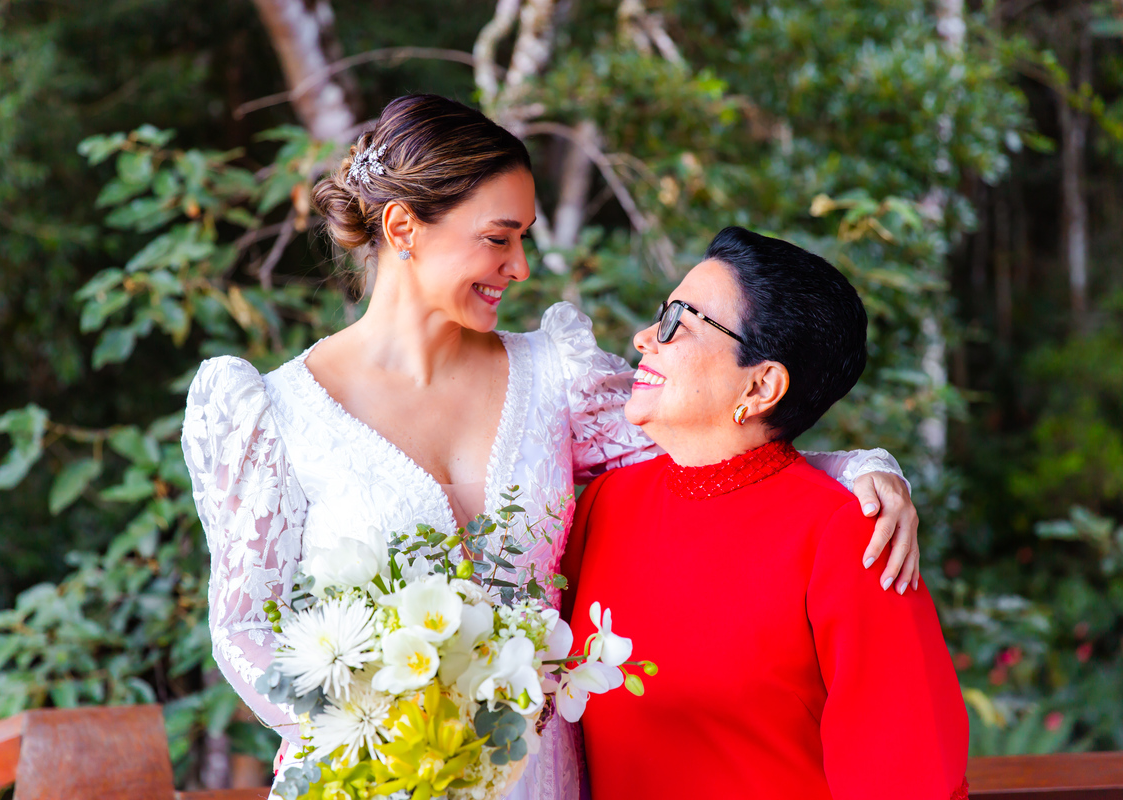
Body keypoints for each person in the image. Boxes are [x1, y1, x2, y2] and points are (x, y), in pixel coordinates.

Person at [181, 95, 920, 800]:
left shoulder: (556, 378)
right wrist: (389, 729)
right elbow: (246, 631)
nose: (521, 265)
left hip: (537, 775)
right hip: (371, 772)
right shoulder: (269, 412)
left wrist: (859, 468)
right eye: (498, 237)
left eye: (525, 237)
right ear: (404, 227)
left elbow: (713, 449)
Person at [561, 226, 969, 800]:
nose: (645, 337)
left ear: (761, 386)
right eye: (661, 314)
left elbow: (908, 776)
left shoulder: (854, 534)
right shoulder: (606, 503)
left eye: (679, 322)